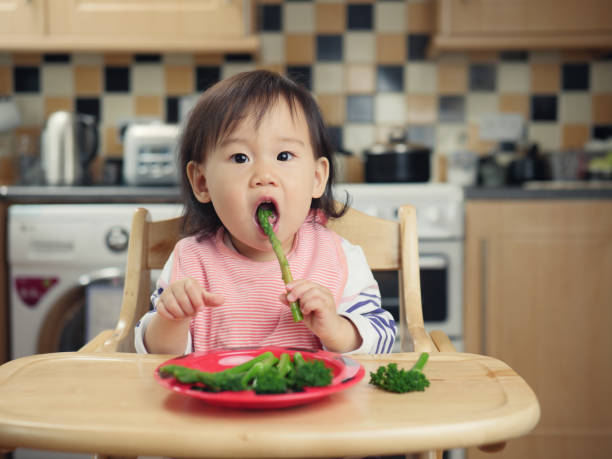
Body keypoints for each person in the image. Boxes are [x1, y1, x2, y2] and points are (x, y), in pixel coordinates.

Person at [135, 70, 396, 356]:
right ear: (202, 182)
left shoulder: (338, 257)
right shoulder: (191, 260)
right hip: (218, 399)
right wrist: (173, 320)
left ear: (317, 178)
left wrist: (336, 328)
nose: (264, 175)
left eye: (284, 156)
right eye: (240, 158)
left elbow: (382, 335)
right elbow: (153, 354)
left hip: (318, 401)